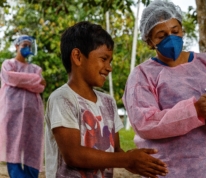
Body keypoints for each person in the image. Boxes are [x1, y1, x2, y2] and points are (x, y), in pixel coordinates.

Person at [122, 0, 206, 177]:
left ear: (183, 30)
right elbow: (144, 122)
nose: (171, 38)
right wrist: (195, 110)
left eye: (175, 31)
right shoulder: (142, 75)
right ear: (149, 41)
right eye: (161, 35)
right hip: (170, 168)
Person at [44, 21, 168, 178]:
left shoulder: (108, 102)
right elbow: (73, 155)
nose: (109, 67)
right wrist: (127, 160)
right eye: (104, 59)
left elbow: (115, 151)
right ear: (77, 57)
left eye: (110, 61)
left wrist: (137, 163)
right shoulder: (62, 99)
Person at [0, 35, 46, 178]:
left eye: (29, 46)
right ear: (16, 46)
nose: (27, 48)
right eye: (24, 45)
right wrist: (35, 80)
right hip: (12, 114)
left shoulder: (35, 68)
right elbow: (10, 77)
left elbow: (40, 87)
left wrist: (21, 81)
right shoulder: (8, 64)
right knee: (12, 148)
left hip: (33, 115)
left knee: (32, 148)